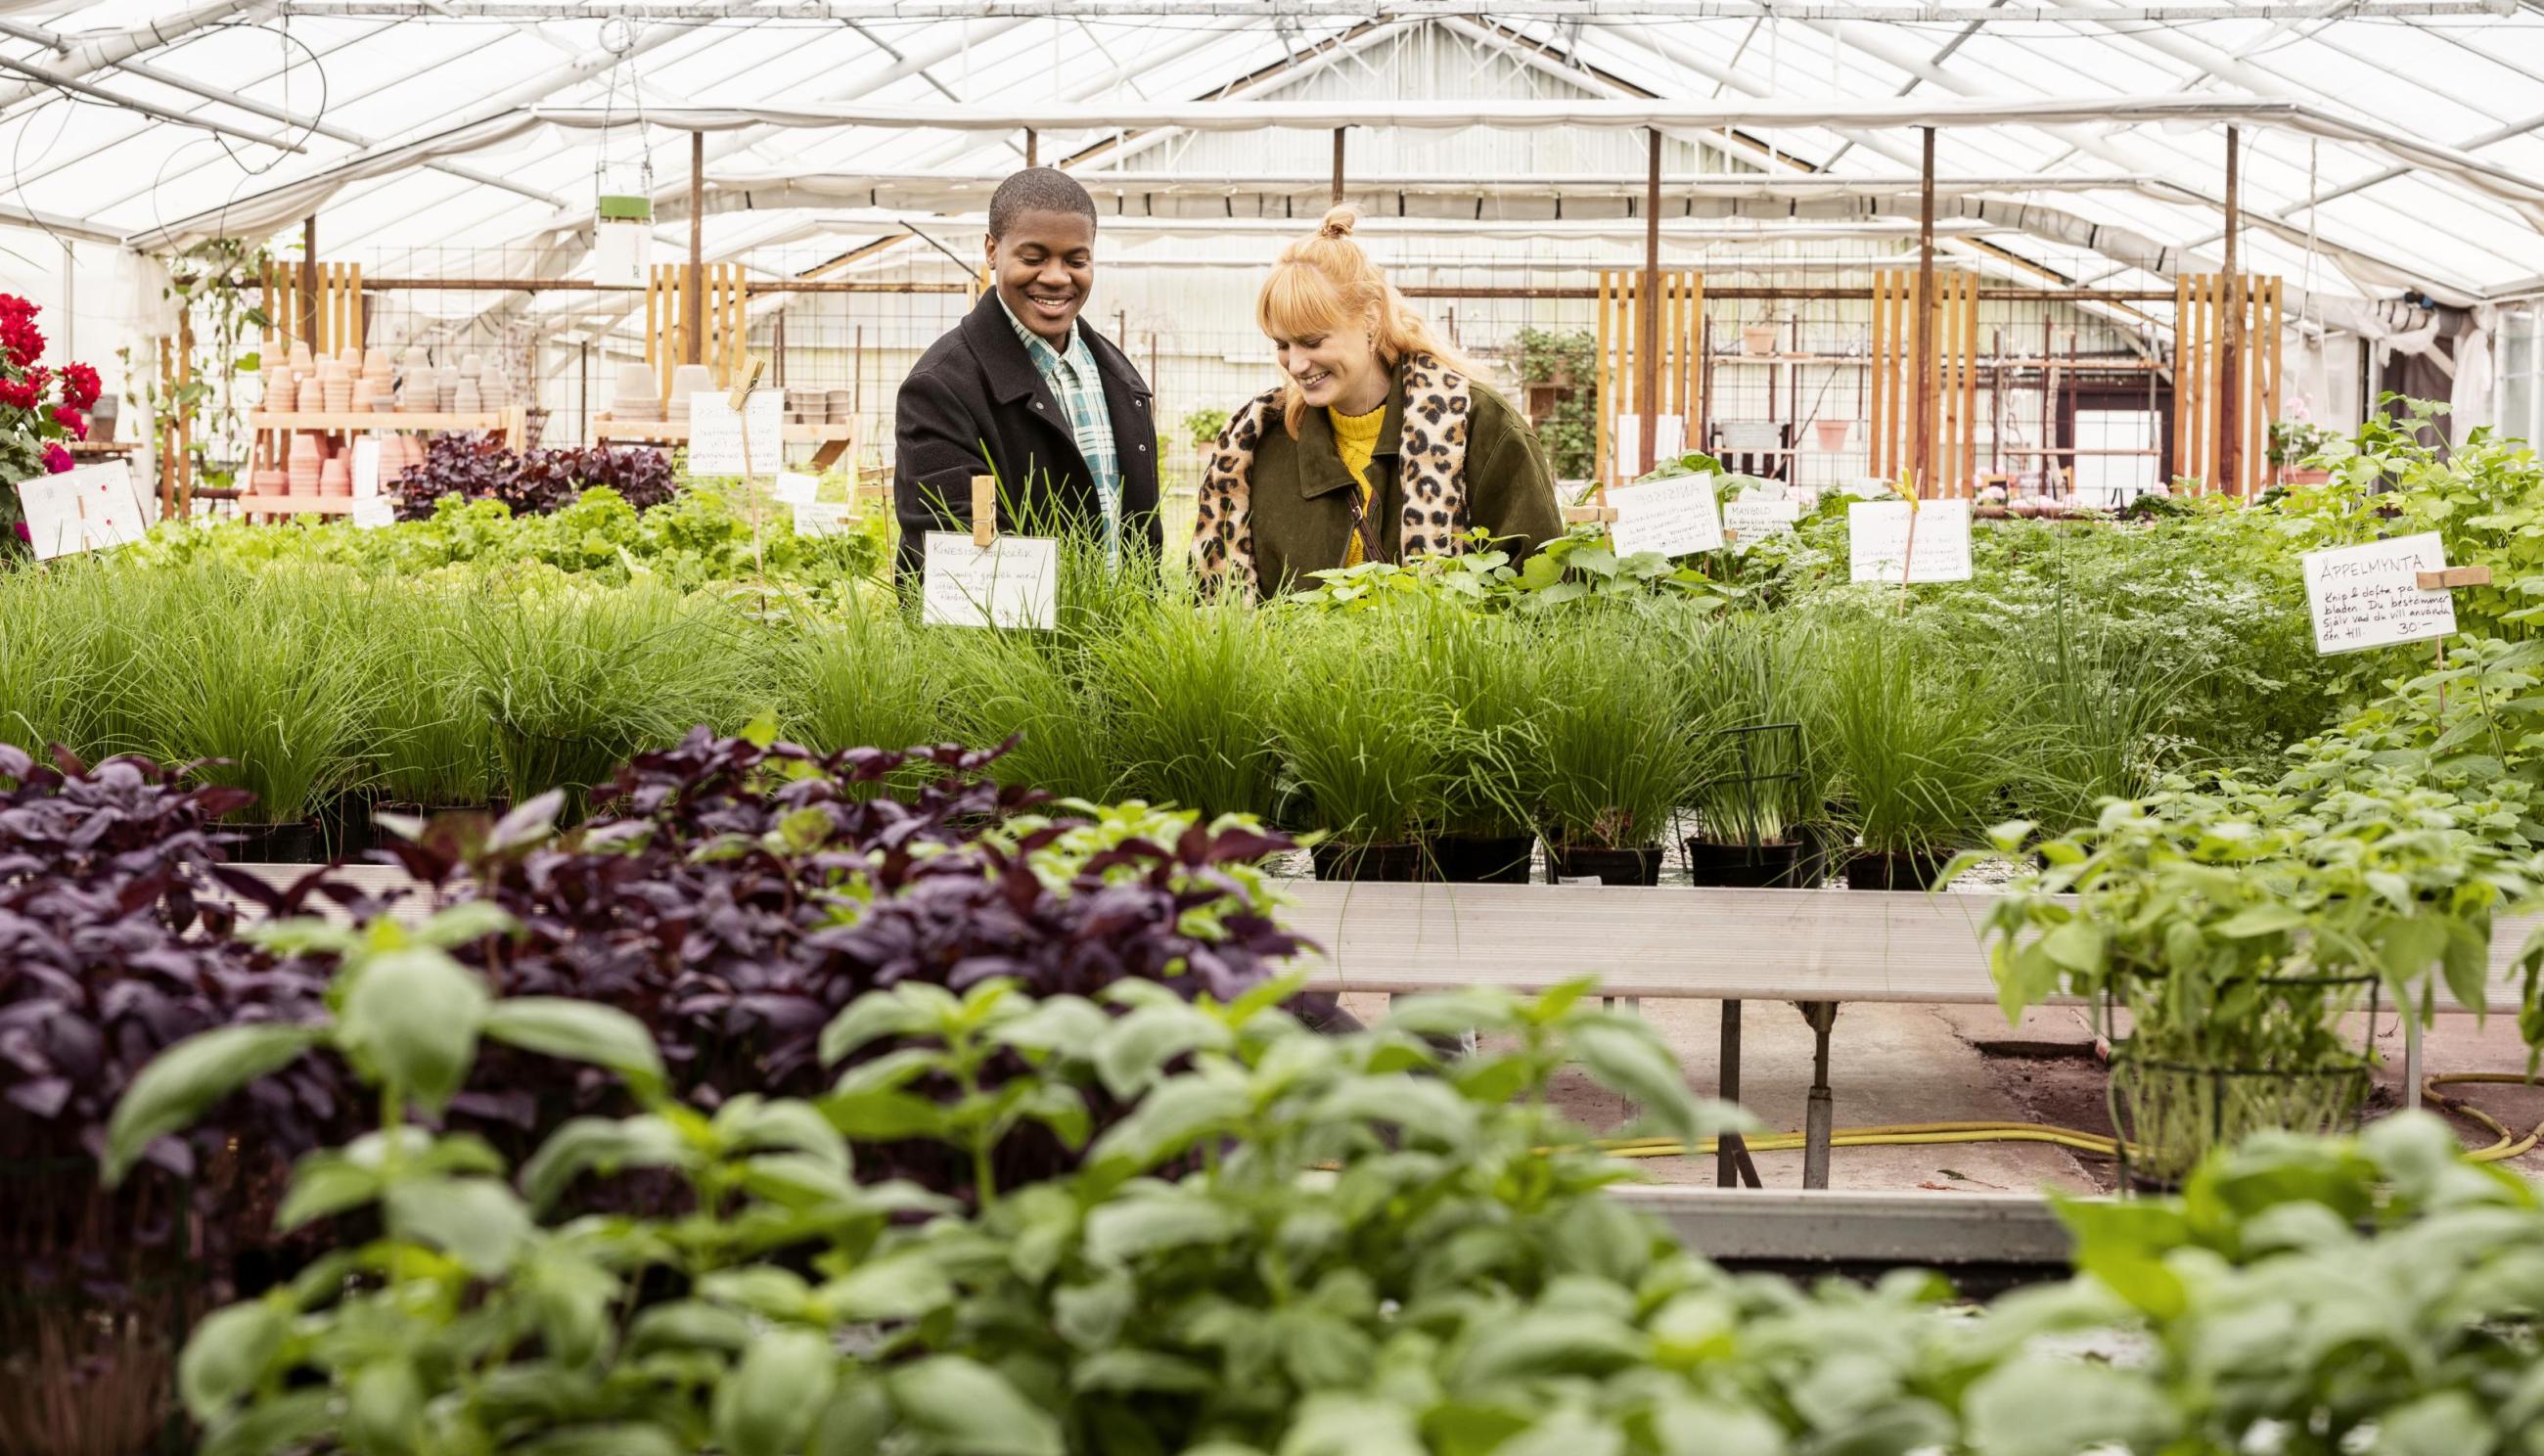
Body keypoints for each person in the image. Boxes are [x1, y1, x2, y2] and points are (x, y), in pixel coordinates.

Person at [1192, 206, 1563, 598]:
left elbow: (1541, 592)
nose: (1296, 365)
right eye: (1282, 345)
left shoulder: (1480, 425)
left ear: (1370, 318)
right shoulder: (1257, 444)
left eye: (1312, 341)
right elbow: (1214, 606)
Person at [893, 168, 1158, 578]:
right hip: (1010, 623)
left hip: (1123, 621)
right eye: (1033, 259)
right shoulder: (940, 388)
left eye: (1076, 261)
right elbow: (952, 556)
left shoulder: (1118, 378)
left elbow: (1139, 538)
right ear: (992, 250)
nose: (1056, 278)